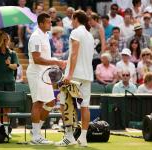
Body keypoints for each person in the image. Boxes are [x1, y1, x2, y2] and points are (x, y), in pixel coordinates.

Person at [55, 10, 94, 147]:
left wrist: (69, 74)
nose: (71, 21)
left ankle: (69, 136)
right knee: (85, 106)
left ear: (76, 19)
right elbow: (79, 55)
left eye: (72, 19)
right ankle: (83, 138)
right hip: (87, 75)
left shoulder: (76, 32)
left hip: (75, 75)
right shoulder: (89, 35)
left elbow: (75, 54)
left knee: (65, 104)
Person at [26, 12, 66, 145]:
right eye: (48, 22)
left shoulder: (45, 35)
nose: (50, 24)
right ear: (41, 23)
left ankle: (35, 131)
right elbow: (37, 59)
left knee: (50, 103)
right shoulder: (36, 37)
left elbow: (44, 57)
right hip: (36, 73)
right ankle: (36, 136)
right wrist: (56, 62)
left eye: (50, 22)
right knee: (38, 103)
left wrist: (54, 62)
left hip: (44, 73)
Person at [0, 30, 19, 136]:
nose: (6, 41)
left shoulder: (12, 53)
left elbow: (15, 66)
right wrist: (0, 43)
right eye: (4, 39)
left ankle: (6, 129)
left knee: (7, 106)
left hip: (9, 82)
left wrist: (9, 64)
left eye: (7, 39)